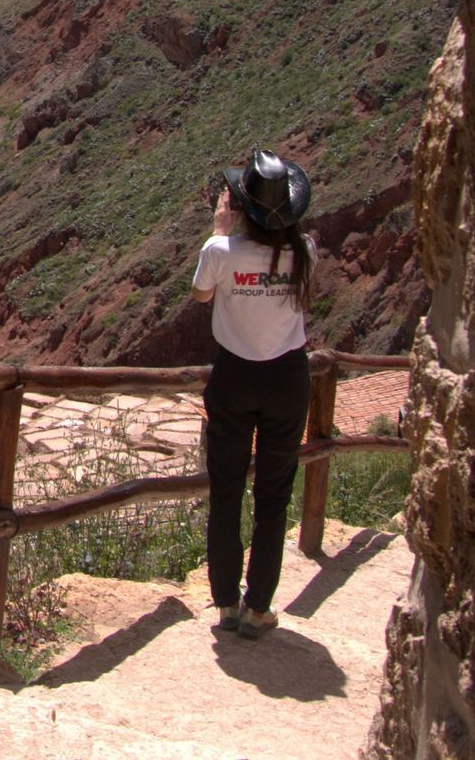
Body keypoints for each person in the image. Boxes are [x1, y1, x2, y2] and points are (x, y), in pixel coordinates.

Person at [190, 149, 315, 640]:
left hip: (234, 377)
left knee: (226, 490)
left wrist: (220, 231)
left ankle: (226, 602)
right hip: (288, 378)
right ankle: (259, 606)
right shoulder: (304, 251)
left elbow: (201, 296)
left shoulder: (220, 252)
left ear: (241, 206)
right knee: (274, 496)